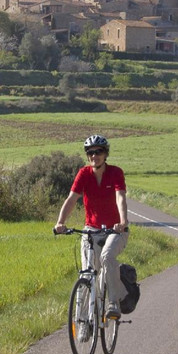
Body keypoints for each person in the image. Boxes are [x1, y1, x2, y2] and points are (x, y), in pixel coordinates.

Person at [54, 134, 130, 319]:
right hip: (91, 230)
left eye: (98, 152)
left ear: (105, 154)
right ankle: (82, 322)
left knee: (107, 256)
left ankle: (113, 303)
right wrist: (60, 222)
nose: (94, 156)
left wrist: (123, 221)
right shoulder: (84, 174)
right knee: (87, 274)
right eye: (90, 153)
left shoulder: (115, 172)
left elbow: (120, 197)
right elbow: (72, 199)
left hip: (115, 230)